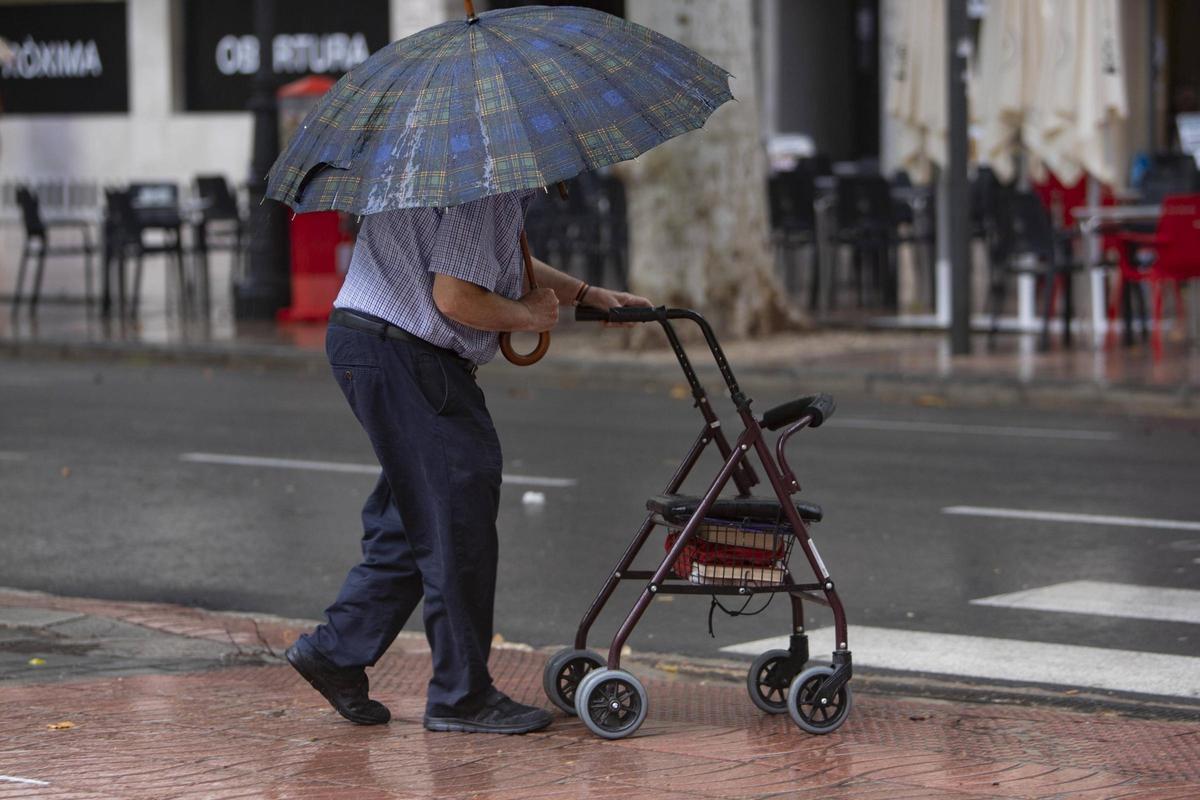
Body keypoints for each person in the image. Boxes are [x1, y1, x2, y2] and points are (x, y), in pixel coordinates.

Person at [285, 187, 651, 735]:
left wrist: (586, 294)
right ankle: (462, 695)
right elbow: (455, 296)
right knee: (458, 515)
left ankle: (337, 652)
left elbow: (499, 265)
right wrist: (526, 315)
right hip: (407, 351)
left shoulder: (457, 160)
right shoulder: (486, 185)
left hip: (375, 342)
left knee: (416, 519)